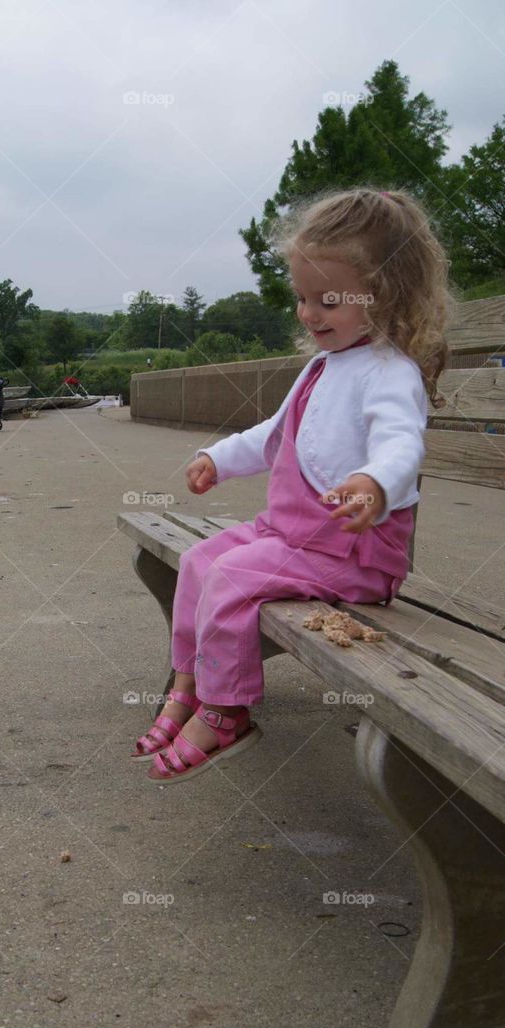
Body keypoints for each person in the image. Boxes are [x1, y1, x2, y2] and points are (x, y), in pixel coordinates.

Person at [132, 188, 451, 784]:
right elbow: (275, 435)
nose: (309, 313)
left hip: (352, 555)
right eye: (302, 298)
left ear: (382, 296)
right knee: (200, 562)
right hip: (293, 538)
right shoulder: (323, 366)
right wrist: (218, 459)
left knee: (230, 578)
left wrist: (372, 483)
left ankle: (227, 713)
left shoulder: (389, 372)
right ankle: (189, 684)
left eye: (328, 301)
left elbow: (402, 443)